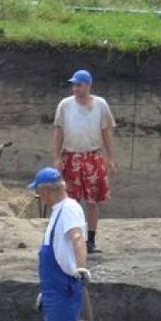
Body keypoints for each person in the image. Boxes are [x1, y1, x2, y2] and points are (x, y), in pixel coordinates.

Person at [29, 167, 91, 321]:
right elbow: (58, 251)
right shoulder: (59, 211)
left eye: (39, 193)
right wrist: (46, 291)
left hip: (64, 288)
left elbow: (77, 238)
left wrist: (81, 267)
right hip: (54, 288)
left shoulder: (69, 209)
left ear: (47, 191)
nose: (40, 197)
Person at [53, 69, 117, 254]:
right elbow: (58, 131)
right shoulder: (65, 105)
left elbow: (106, 133)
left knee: (93, 200)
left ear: (88, 85)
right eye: (73, 85)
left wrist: (111, 158)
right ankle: (70, 239)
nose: (75, 88)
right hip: (71, 156)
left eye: (79, 85)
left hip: (93, 156)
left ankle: (91, 240)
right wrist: (56, 157)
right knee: (70, 201)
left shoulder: (100, 105)